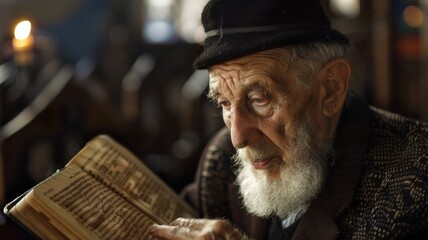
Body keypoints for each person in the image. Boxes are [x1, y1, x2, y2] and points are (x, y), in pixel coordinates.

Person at [149, 0, 428, 239]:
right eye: (224, 103)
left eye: (260, 100)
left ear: (330, 88)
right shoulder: (221, 159)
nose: (238, 138)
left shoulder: (416, 173)